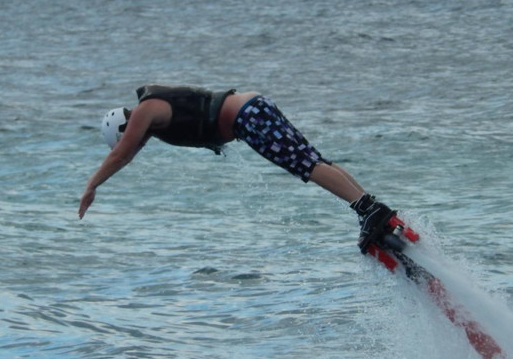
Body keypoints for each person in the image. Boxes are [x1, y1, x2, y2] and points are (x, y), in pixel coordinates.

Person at [78, 85, 399, 251]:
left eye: (130, 138)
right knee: (312, 162)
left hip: (248, 115)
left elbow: (121, 155)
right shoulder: (153, 119)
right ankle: (367, 208)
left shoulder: (145, 110)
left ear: (124, 125)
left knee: (307, 165)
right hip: (252, 112)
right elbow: (127, 154)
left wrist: (92, 185)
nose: (139, 144)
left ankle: (368, 209)